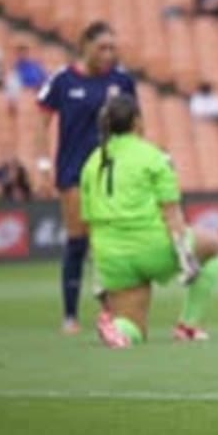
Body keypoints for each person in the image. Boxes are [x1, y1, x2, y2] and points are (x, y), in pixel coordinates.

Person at [81, 94, 218, 348]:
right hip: (152, 247)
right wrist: (185, 257)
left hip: (111, 257)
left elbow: (88, 222)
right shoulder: (152, 156)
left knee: (134, 330)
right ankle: (188, 326)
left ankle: (115, 327)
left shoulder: (92, 162)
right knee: (212, 247)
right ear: (138, 122)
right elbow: (171, 212)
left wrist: (98, 273)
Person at [36, 21, 136, 335]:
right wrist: (42, 165)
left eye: (112, 48)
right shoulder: (63, 81)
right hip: (74, 172)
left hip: (112, 173)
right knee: (79, 240)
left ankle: (111, 310)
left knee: (107, 240)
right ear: (85, 46)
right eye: (102, 47)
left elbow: (136, 124)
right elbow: (42, 122)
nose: (108, 54)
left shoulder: (121, 80)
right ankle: (70, 314)